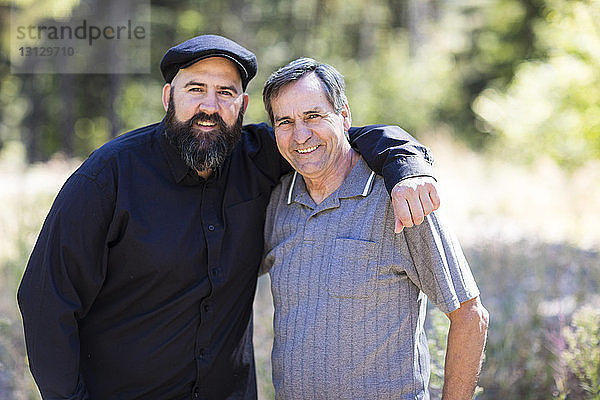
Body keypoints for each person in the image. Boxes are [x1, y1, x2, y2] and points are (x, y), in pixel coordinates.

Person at [17, 35, 441, 400]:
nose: (209, 106)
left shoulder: (261, 154)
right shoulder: (108, 177)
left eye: (225, 93)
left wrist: (406, 167)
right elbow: (46, 302)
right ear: (169, 97)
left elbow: (341, 136)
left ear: (241, 104)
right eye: (195, 89)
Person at [261, 57, 489, 399]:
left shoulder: (399, 197)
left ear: (344, 116)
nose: (300, 134)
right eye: (285, 121)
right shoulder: (279, 201)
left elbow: (470, 317)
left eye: (313, 116)